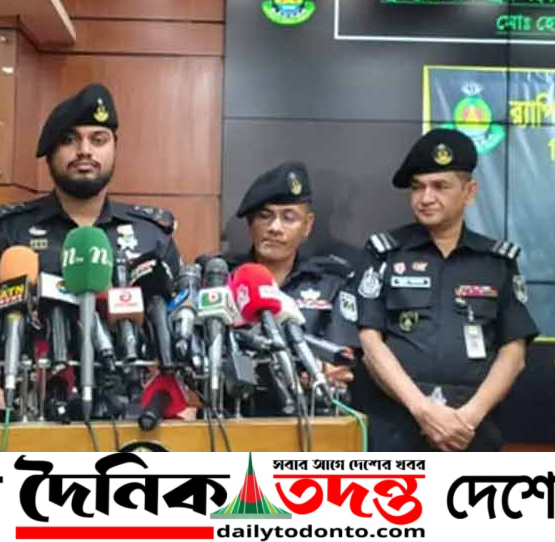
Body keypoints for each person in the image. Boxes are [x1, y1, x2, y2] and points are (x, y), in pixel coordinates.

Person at [356, 128, 538, 452]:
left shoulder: (496, 262)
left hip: (471, 430)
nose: (426, 198)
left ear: (469, 192)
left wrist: (468, 418)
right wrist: (424, 412)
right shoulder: (385, 253)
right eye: (418, 187)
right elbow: (370, 343)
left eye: (440, 186)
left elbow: (514, 352)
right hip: (397, 426)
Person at [0, 83, 181, 281]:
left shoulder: (152, 234)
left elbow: (180, 305)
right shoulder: (6, 231)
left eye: (98, 140)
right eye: (69, 140)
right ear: (49, 152)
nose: (84, 151)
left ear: (115, 147)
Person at [220, 162, 359, 414]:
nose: (275, 227)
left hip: (310, 419)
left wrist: (321, 370)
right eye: (265, 216)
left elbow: (339, 364)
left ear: (307, 225)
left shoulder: (332, 282)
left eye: (288, 217)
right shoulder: (221, 278)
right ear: (250, 224)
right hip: (233, 418)